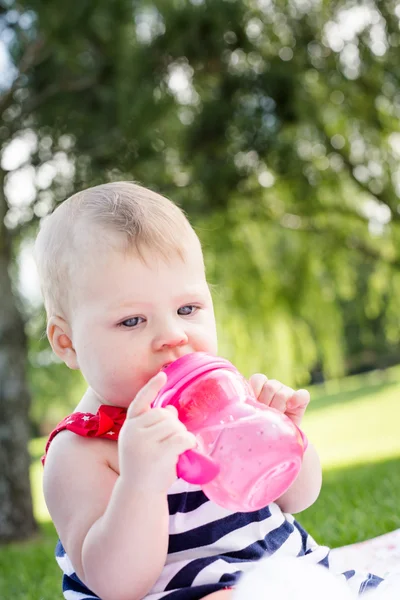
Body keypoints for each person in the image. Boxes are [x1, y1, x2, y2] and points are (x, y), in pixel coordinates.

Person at [36, 181, 383, 600]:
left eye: (187, 310)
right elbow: (116, 585)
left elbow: (297, 499)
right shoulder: (80, 452)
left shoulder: (221, 402)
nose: (172, 335)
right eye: (132, 321)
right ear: (67, 343)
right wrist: (142, 483)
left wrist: (287, 438)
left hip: (290, 577)